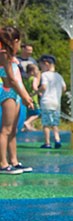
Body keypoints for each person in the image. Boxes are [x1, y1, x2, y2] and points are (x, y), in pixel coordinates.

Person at [0, 26, 34, 175]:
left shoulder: (11, 56)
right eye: (19, 42)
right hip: (8, 92)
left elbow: (18, 79)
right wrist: (25, 96)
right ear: (14, 41)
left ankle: (14, 160)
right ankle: (3, 163)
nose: (19, 45)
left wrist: (25, 95)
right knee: (5, 130)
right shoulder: (3, 55)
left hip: (16, 94)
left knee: (13, 129)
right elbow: (12, 80)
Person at [38, 54, 66, 149]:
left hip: (47, 101)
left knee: (46, 124)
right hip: (56, 102)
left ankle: (47, 142)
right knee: (55, 123)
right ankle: (57, 139)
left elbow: (44, 86)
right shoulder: (59, 76)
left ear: (46, 64)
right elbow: (64, 88)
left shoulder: (45, 75)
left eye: (41, 65)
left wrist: (36, 92)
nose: (40, 67)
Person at [21, 63, 41, 132]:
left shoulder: (25, 79)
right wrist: (39, 92)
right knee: (37, 113)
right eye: (37, 70)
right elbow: (34, 87)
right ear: (32, 72)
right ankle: (26, 123)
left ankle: (27, 127)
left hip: (26, 98)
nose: (38, 72)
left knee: (29, 114)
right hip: (33, 99)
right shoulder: (34, 79)